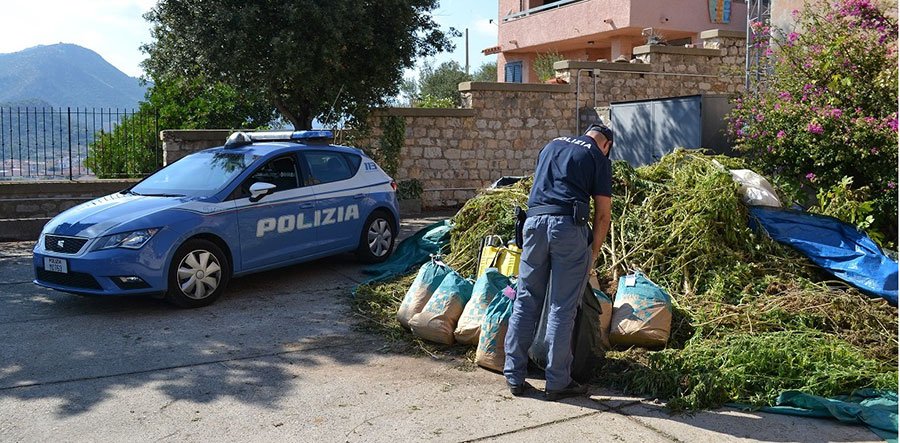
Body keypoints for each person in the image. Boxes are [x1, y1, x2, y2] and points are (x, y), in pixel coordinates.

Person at [504, 123, 613, 401]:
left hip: (533, 224)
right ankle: (557, 381)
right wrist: (593, 253)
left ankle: (514, 376)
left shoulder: (551, 145)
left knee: (526, 300)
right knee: (562, 308)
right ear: (606, 145)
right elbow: (602, 215)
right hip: (567, 228)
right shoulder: (597, 157)